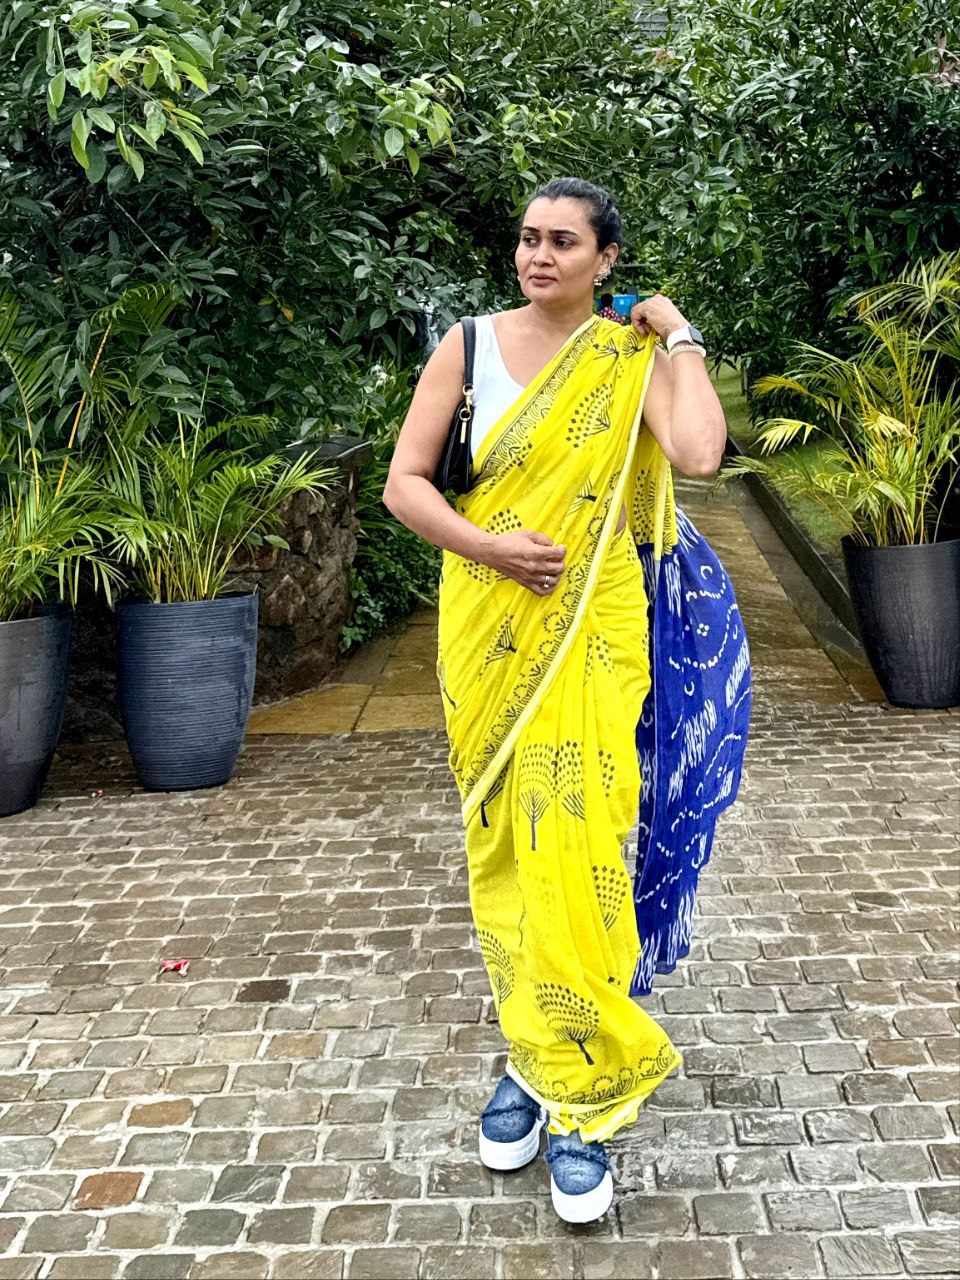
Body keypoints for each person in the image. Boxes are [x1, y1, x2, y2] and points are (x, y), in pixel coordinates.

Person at [383, 177, 728, 1223]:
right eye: (530, 238)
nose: (540, 255)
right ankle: (535, 1057)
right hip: (487, 616)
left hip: (595, 619)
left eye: (564, 241)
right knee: (507, 844)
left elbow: (700, 453)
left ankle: (580, 1095)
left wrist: (678, 334)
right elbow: (406, 483)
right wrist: (487, 545)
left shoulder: (629, 358)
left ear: (605, 259)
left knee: (577, 837)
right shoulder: (468, 345)